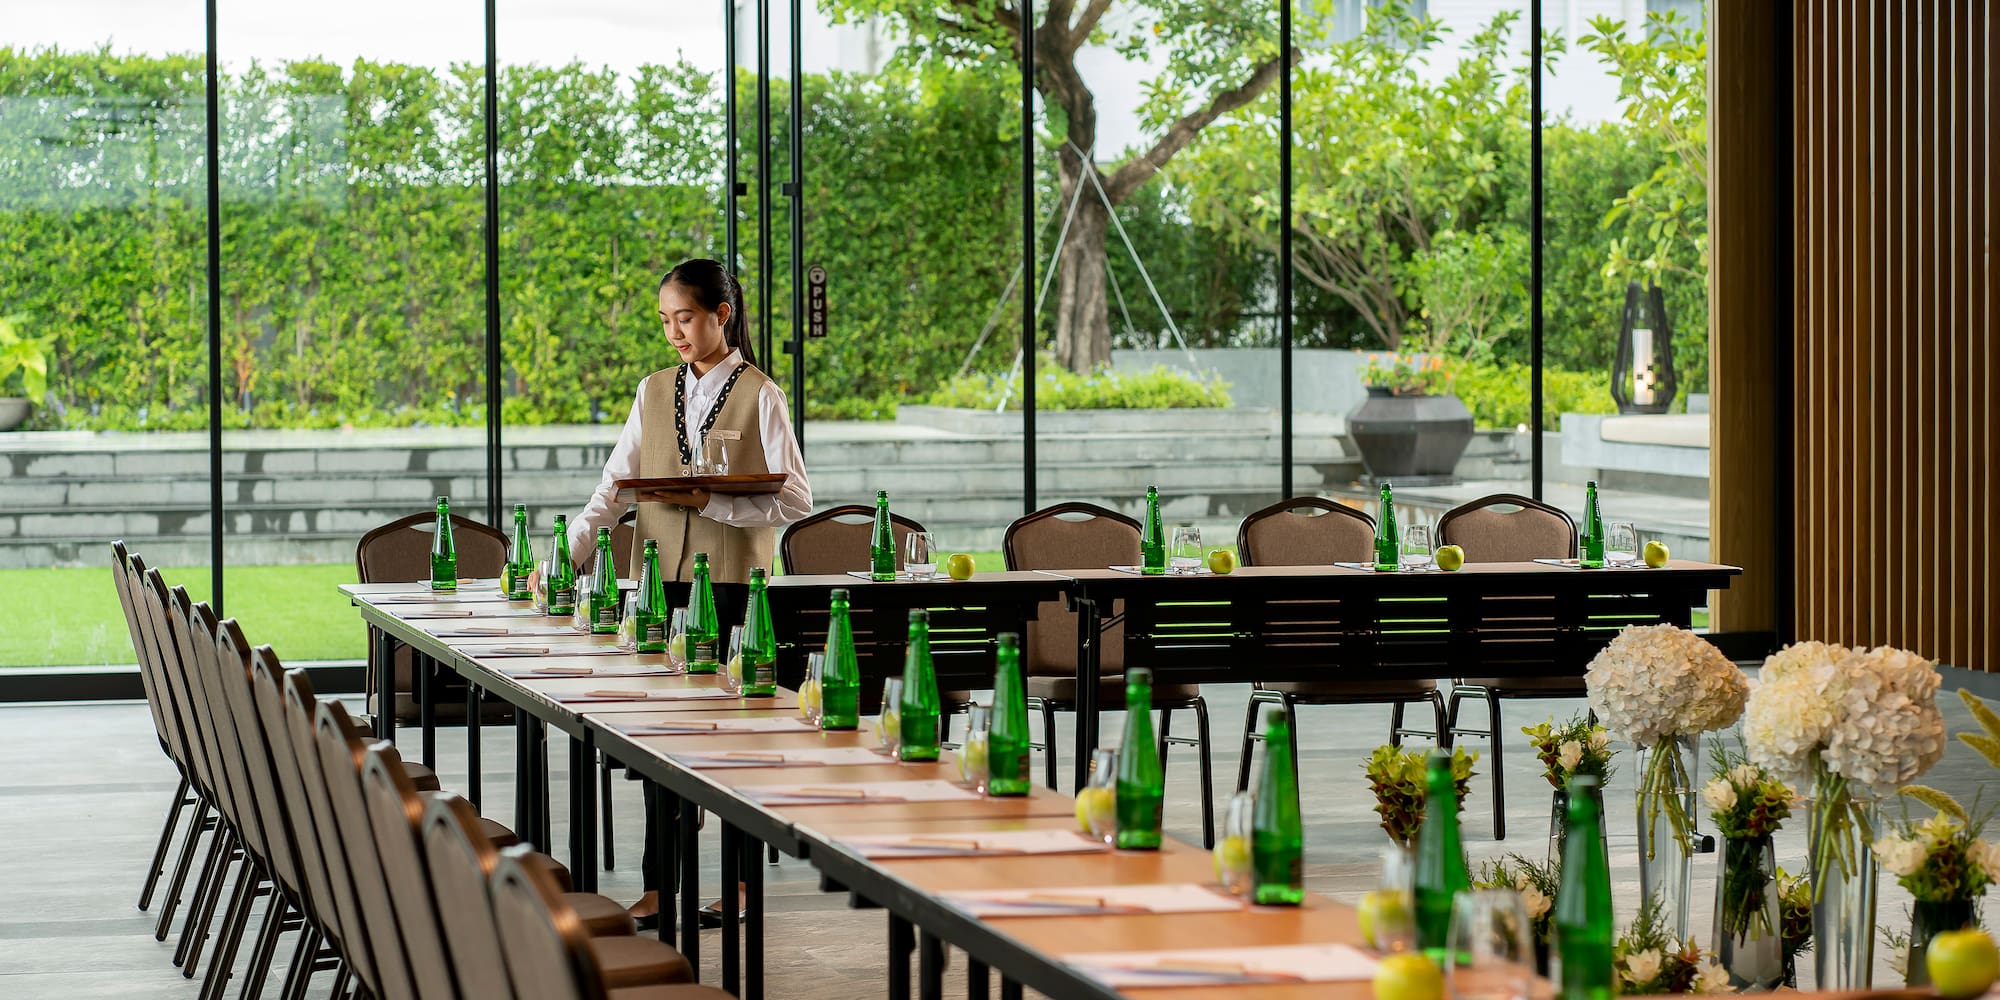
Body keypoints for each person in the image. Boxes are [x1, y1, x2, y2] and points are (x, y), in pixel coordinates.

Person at [565, 257, 811, 927]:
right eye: (667, 320)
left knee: (732, 744)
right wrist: (567, 555)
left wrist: (715, 506)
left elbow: (795, 495)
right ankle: (658, 886)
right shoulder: (652, 391)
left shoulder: (760, 393)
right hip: (661, 593)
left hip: (735, 593)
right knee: (659, 737)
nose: (675, 332)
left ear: (721, 315)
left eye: (686, 318)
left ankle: (738, 885)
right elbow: (614, 488)